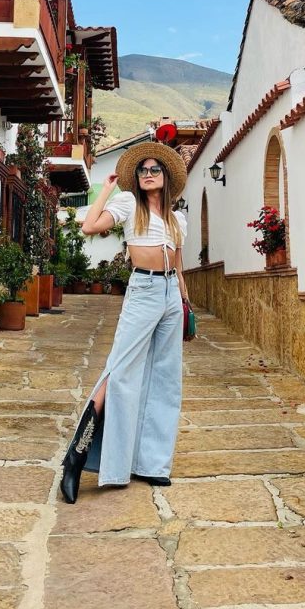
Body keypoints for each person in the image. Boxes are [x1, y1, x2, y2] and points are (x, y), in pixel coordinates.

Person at [60, 142, 189, 503]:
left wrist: (184, 303)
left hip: (169, 297)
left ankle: (152, 463)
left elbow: (178, 266)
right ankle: (77, 455)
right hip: (144, 288)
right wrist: (105, 189)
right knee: (119, 371)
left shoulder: (177, 218)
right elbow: (88, 227)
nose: (148, 175)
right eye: (143, 170)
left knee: (166, 379)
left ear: (164, 177)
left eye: (155, 170)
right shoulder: (128, 204)